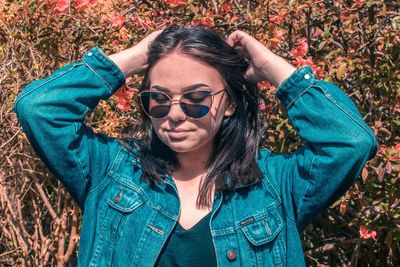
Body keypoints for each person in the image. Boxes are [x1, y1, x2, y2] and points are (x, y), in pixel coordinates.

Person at [14, 25, 377, 266]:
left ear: (230, 103)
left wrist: (270, 67)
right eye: (158, 98)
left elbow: (351, 141)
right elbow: (39, 108)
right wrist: (138, 57)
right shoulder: (111, 171)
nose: (174, 115)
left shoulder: (274, 186)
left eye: (196, 99)